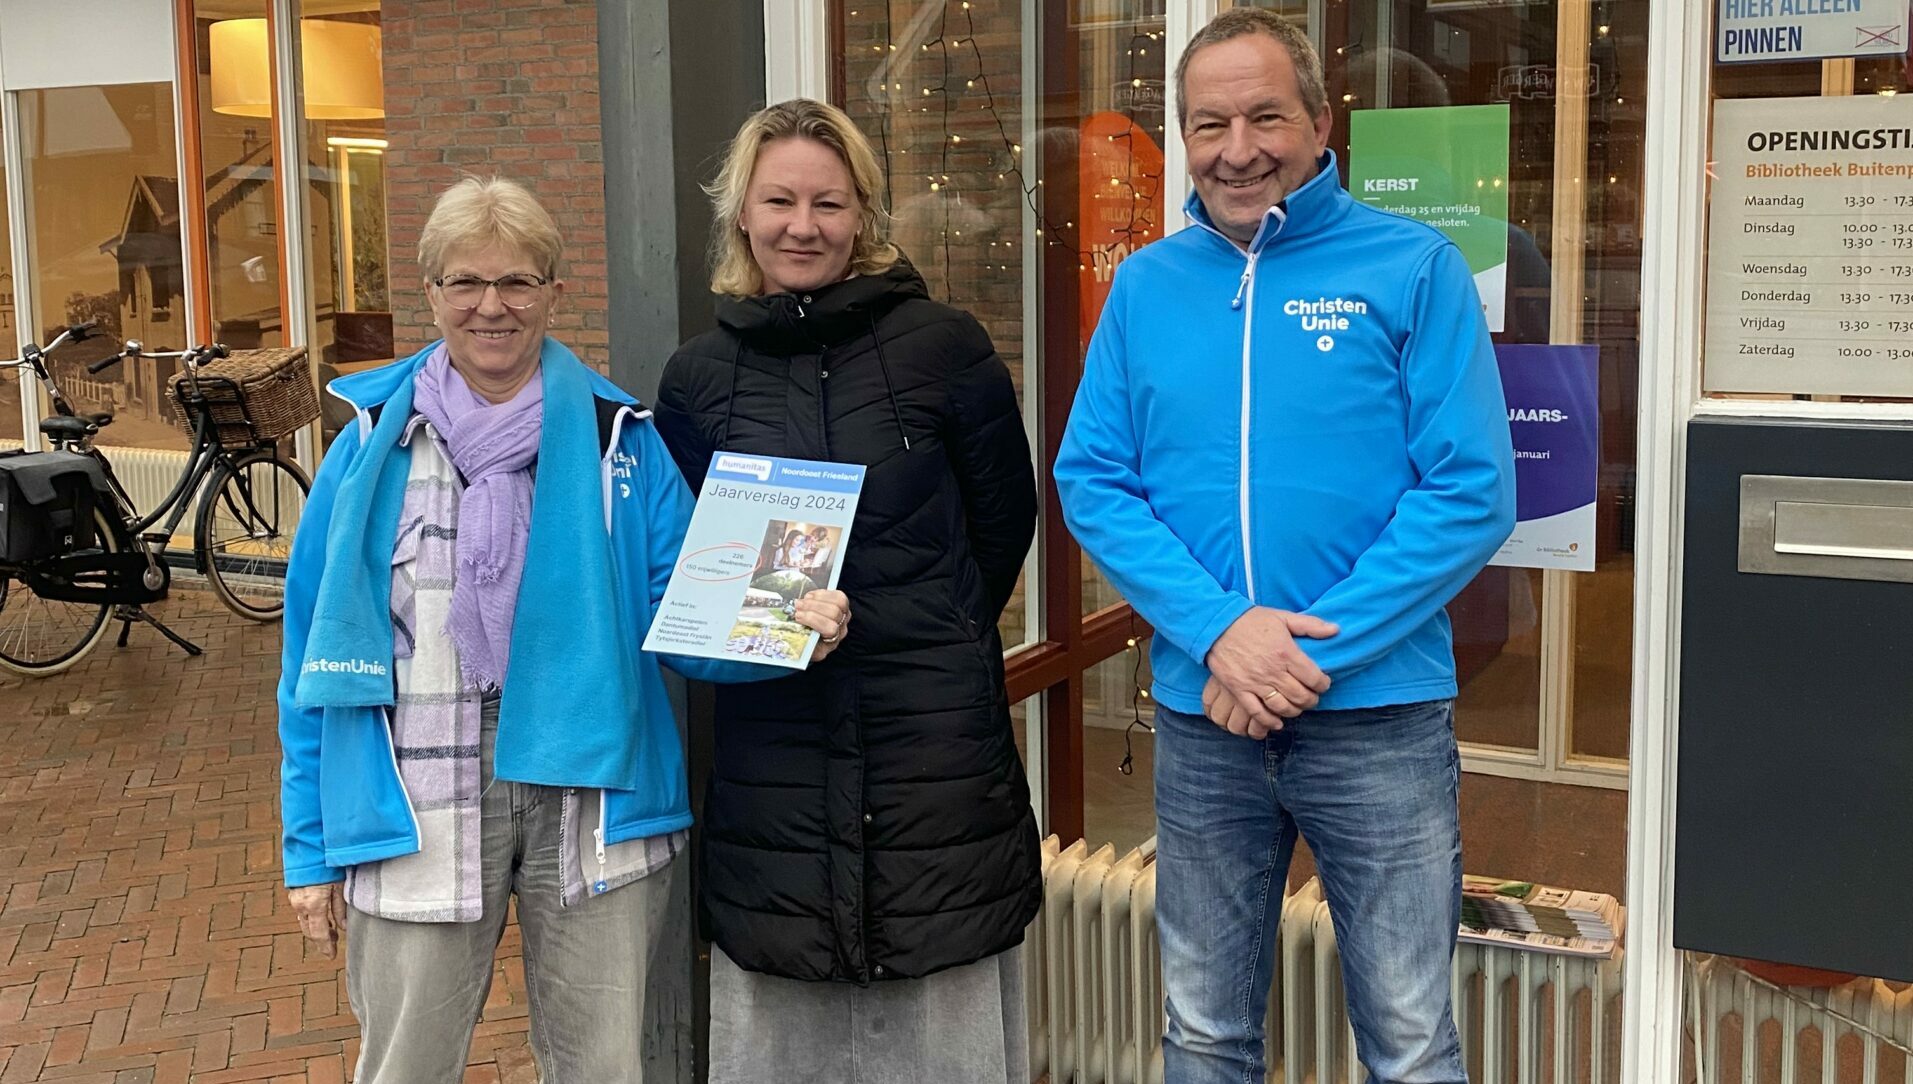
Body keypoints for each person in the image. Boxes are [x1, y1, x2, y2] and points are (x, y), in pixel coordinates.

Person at [275, 176, 850, 1084]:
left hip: (595, 796)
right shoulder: (369, 447)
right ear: (431, 293)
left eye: (517, 281)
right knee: (404, 1068)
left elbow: (683, 611)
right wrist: (309, 847)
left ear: (551, 291)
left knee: (603, 1068)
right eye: (466, 282)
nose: (491, 306)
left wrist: (788, 628)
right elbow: (310, 656)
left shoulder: (623, 439)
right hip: (414, 797)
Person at [1054, 11, 1516, 1084]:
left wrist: (1296, 653)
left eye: (1265, 116)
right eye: (1208, 124)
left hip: (1379, 720)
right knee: (1203, 1033)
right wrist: (1223, 633)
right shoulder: (1146, 286)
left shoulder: (1413, 268)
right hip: (1205, 718)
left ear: (1319, 123)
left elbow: (1471, 490)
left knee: (1410, 1041)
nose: (1237, 148)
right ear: (1183, 137)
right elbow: (1094, 481)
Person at [654, 98, 1040, 1084]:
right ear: (741, 214)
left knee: (937, 1029)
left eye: (828, 203)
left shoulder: (945, 347)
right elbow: (690, 562)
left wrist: (929, 631)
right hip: (774, 761)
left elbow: (1003, 524)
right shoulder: (697, 378)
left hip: (931, 759)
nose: (803, 226)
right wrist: (765, 630)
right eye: (778, 201)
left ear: (863, 212)